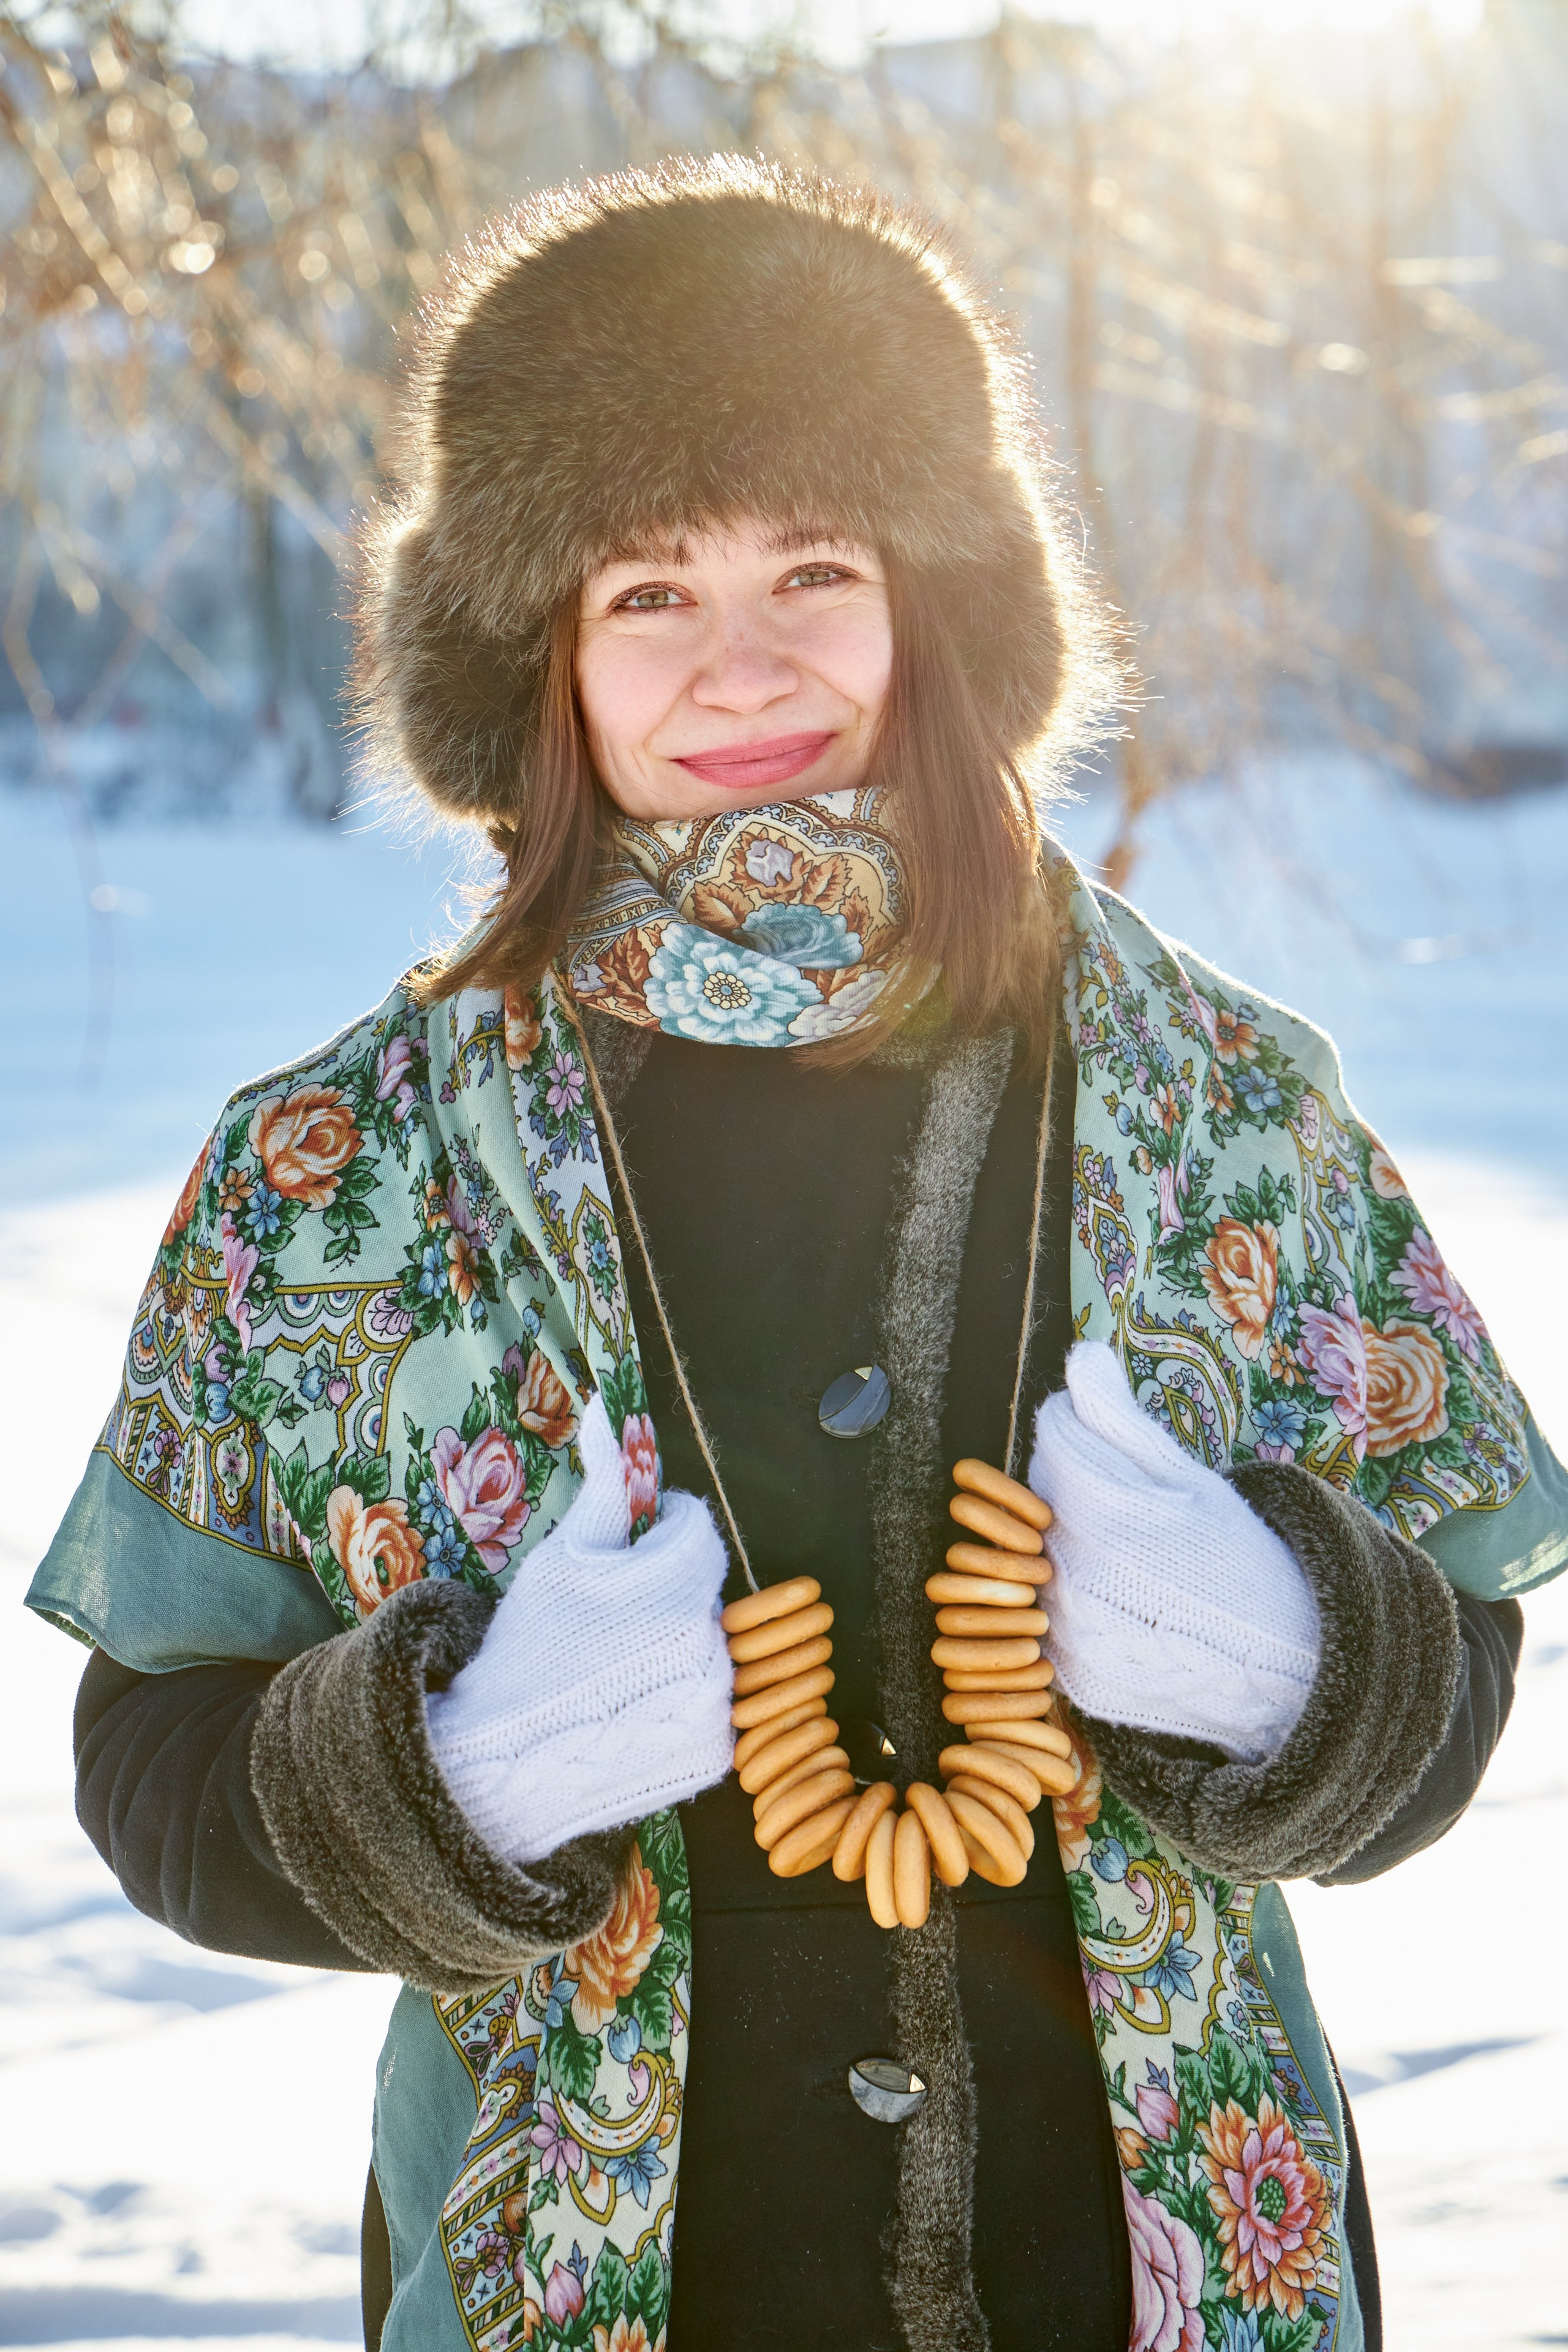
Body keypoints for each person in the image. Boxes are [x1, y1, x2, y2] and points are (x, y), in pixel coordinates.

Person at [30, 158, 1566, 2352]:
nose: (736, 666)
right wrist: (459, 1776)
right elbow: (153, 1752)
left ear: (934, 605)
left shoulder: (1228, 1104)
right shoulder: (329, 1172)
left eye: (811, 570)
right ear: (532, 653)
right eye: (645, 589)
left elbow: (1459, 1668)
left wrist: (1287, 1660)